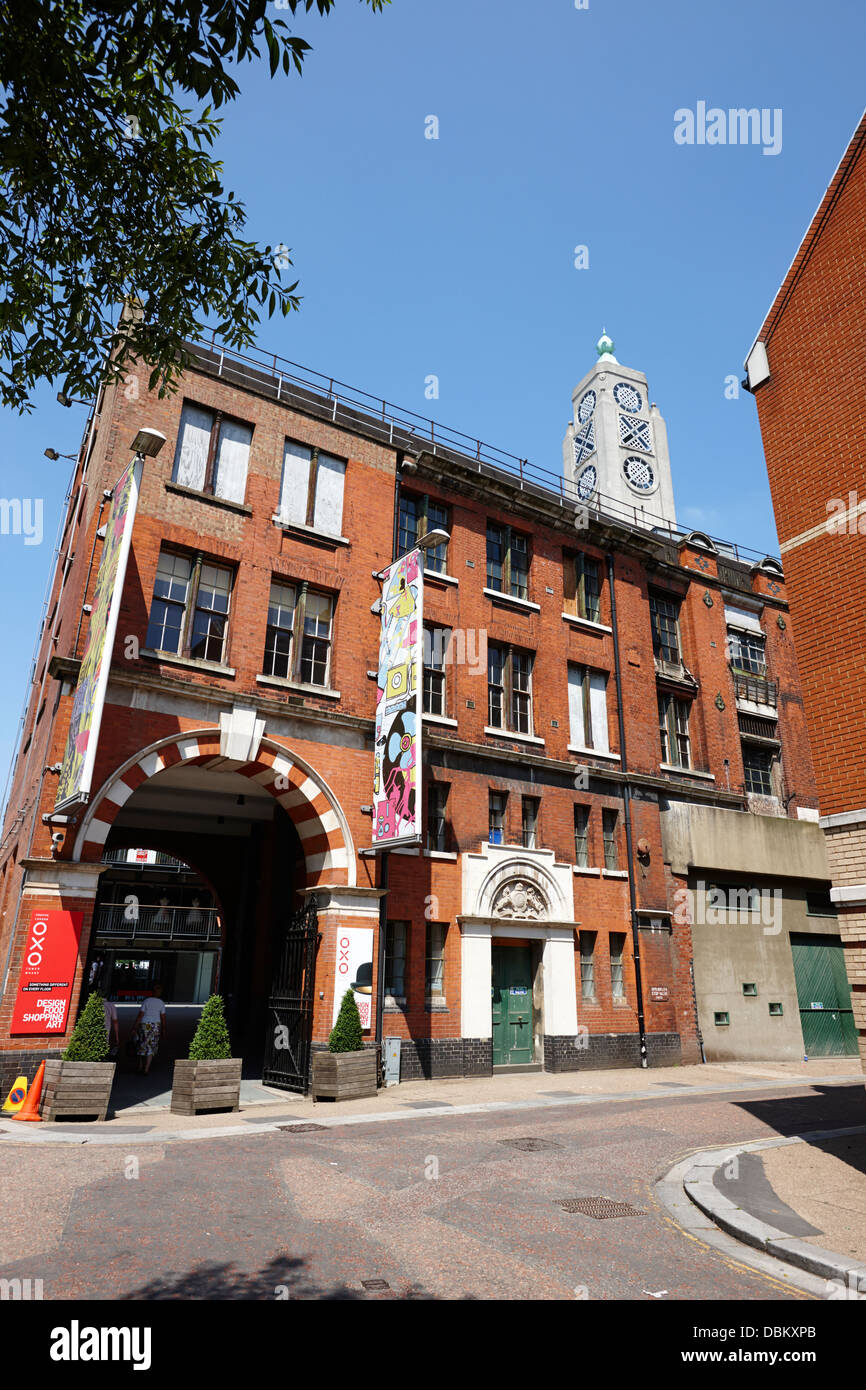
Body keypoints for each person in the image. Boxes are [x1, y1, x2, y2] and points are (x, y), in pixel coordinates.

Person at [132, 983, 167, 1075]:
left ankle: (140, 1066)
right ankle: (146, 1069)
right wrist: (163, 1029)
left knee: (141, 1044)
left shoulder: (146, 1001)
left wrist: (135, 1026)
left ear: (152, 992)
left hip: (144, 1025)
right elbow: (163, 1017)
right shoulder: (161, 1003)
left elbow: (140, 1015)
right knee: (151, 1047)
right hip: (155, 1026)